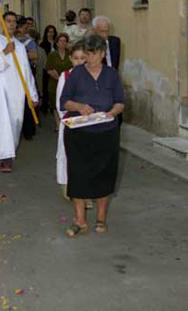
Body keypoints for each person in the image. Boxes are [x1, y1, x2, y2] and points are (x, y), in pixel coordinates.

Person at [60, 34, 125, 238]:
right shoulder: (76, 74)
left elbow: (120, 102)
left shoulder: (111, 74)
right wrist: (79, 106)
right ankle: (80, 220)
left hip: (106, 132)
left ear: (103, 54)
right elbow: (64, 101)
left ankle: (101, 218)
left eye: (94, 53)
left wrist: (111, 113)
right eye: (87, 53)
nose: (90, 58)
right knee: (78, 175)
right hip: (79, 133)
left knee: (104, 175)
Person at [0, 12, 38, 172]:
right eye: (8, 21)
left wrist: (32, 94)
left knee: (15, 122)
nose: (12, 24)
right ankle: (4, 158)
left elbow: (26, 72)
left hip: (16, 91)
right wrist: (5, 52)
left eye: (14, 21)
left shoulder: (20, 47)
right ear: (2, 23)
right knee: (1, 123)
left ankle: (10, 152)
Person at [54, 39, 84, 195]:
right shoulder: (64, 77)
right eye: (76, 58)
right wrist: (70, 118)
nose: (79, 62)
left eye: (83, 58)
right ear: (71, 59)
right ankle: (67, 186)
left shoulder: (91, 77)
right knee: (67, 155)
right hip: (70, 122)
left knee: (85, 158)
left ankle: (85, 191)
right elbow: (61, 102)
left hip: (88, 123)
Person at [16, 17, 39, 141]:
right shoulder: (10, 40)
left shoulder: (28, 41)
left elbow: (35, 56)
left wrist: (20, 52)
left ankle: (28, 130)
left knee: (28, 101)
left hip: (26, 73)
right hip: (13, 76)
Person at [46, 33, 72, 117]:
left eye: (64, 41)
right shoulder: (52, 55)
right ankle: (58, 124)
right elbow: (48, 69)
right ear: (57, 43)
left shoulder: (70, 54)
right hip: (55, 82)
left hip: (68, 82)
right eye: (60, 41)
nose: (63, 43)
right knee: (55, 105)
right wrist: (53, 74)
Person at [39, 25, 58, 113]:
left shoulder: (57, 43)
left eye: (52, 32)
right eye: (49, 32)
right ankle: (46, 105)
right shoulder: (43, 44)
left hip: (57, 67)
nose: (51, 34)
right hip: (47, 68)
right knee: (46, 87)